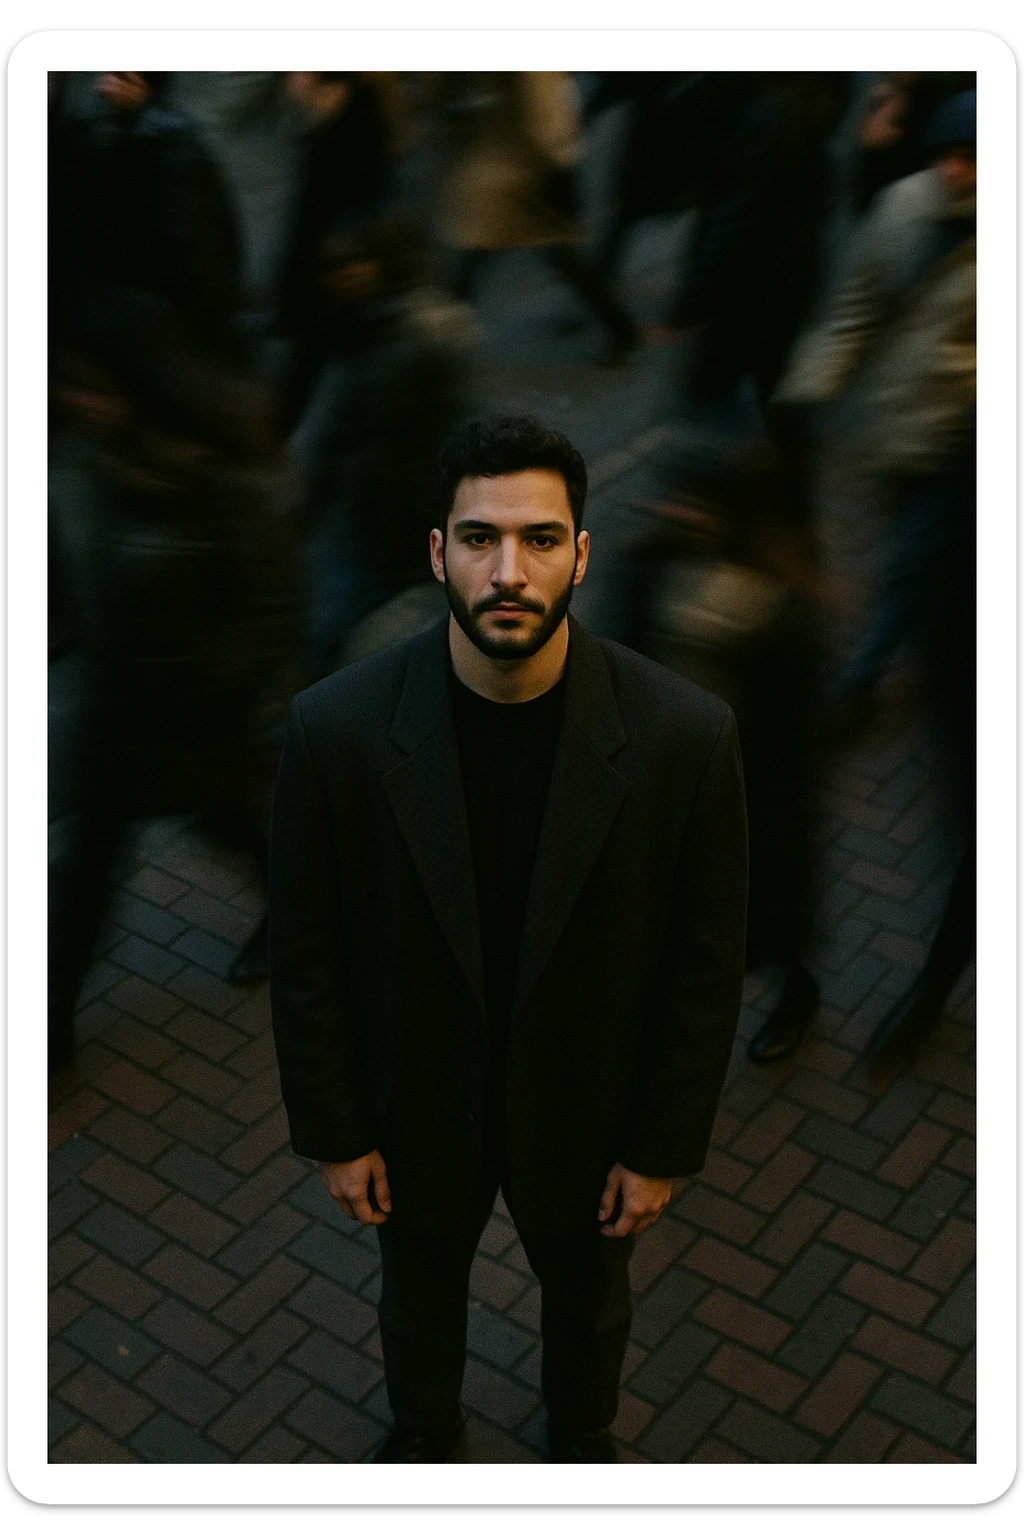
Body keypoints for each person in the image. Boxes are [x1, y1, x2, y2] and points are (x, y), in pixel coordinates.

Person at [269, 416, 748, 1463]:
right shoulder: (336, 730)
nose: (508, 571)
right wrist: (336, 1128)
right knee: (418, 1306)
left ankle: (581, 1444)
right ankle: (424, 1442)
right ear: (436, 553)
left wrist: (662, 1144)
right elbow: (306, 948)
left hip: (590, 1118)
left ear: (582, 553)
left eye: (539, 539)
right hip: (413, 1114)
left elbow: (703, 966)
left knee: (590, 1311)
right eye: (479, 539)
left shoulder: (683, 738)